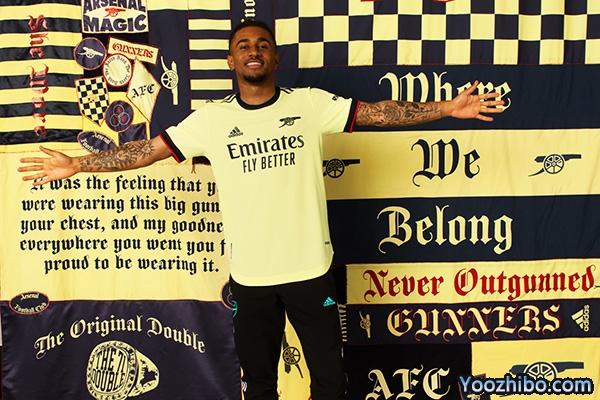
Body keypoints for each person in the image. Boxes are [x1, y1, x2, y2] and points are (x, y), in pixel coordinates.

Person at [19, 19, 504, 400]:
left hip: (312, 274)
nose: (254, 50)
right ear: (232, 60)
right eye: (244, 45)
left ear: (274, 56)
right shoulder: (212, 119)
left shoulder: (309, 104)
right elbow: (146, 151)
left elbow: (378, 112)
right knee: (260, 386)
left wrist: (447, 108)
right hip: (251, 281)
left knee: (330, 382)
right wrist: (76, 164)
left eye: (263, 44)